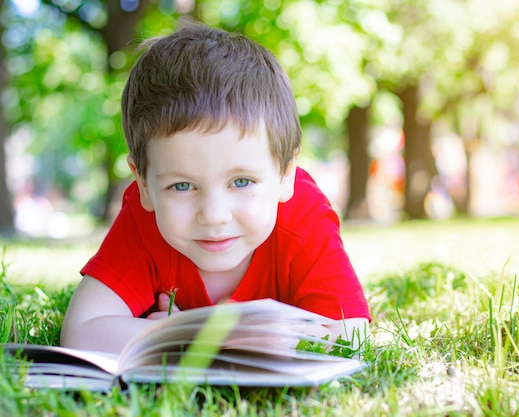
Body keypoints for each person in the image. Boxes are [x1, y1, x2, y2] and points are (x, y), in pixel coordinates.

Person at [60, 21, 371, 354]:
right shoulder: (144, 221)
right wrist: (209, 335)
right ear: (144, 185)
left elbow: (352, 335)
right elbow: (82, 332)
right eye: (182, 186)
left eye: (241, 182)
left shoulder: (302, 215)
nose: (213, 215)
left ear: (285, 176)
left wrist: (165, 332)